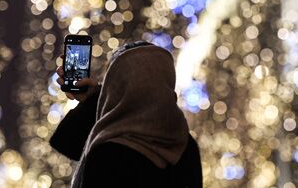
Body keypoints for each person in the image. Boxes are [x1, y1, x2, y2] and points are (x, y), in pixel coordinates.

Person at [50, 41, 203, 188]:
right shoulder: (184, 145)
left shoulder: (110, 152)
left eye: (113, 82)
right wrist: (98, 98)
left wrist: (98, 99)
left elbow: (67, 143)